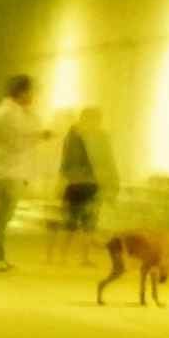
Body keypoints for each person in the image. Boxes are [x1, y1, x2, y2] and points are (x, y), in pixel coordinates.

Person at [0, 74, 51, 274]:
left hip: (13, 172)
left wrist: (35, 133)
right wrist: (38, 136)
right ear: (21, 92)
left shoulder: (18, 112)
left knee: (2, 218)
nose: (33, 96)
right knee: (0, 217)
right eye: (31, 91)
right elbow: (12, 142)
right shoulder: (7, 113)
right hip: (7, 172)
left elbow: (28, 131)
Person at [54, 106, 116, 264]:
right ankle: (66, 256)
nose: (95, 123)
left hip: (90, 183)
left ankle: (81, 257)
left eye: (96, 120)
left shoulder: (99, 137)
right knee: (71, 222)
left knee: (88, 223)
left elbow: (108, 160)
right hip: (78, 183)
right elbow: (66, 160)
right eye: (93, 119)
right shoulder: (74, 136)